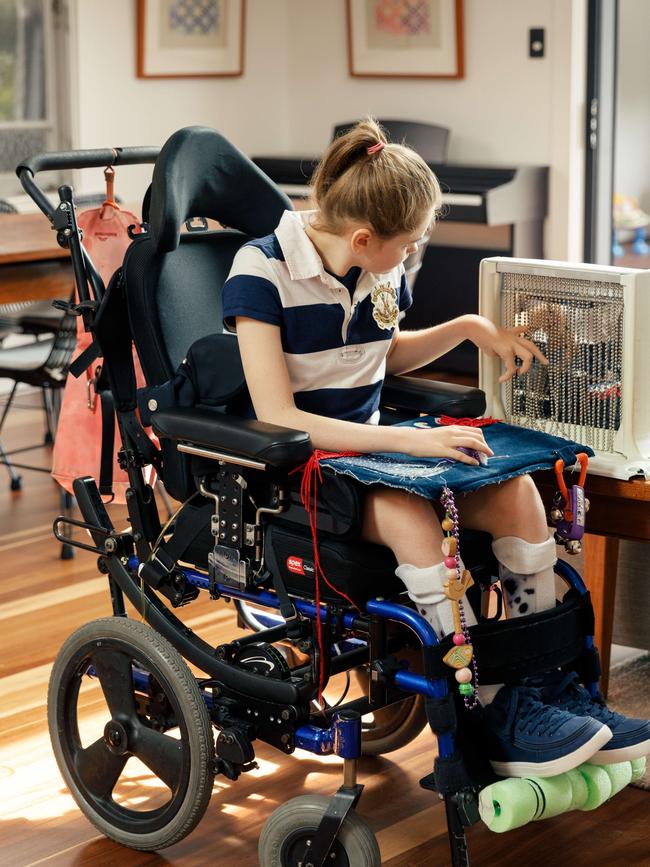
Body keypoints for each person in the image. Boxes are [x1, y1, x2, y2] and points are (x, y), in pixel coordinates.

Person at [222, 118, 650, 777]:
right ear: (364, 238)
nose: (417, 248)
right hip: (304, 466)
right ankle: (479, 704)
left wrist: (474, 328)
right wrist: (412, 440)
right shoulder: (261, 270)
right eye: (411, 240)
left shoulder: (374, 268)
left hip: (376, 449)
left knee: (518, 497)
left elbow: (381, 354)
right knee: (411, 517)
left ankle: (538, 692)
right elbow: (281, 415)